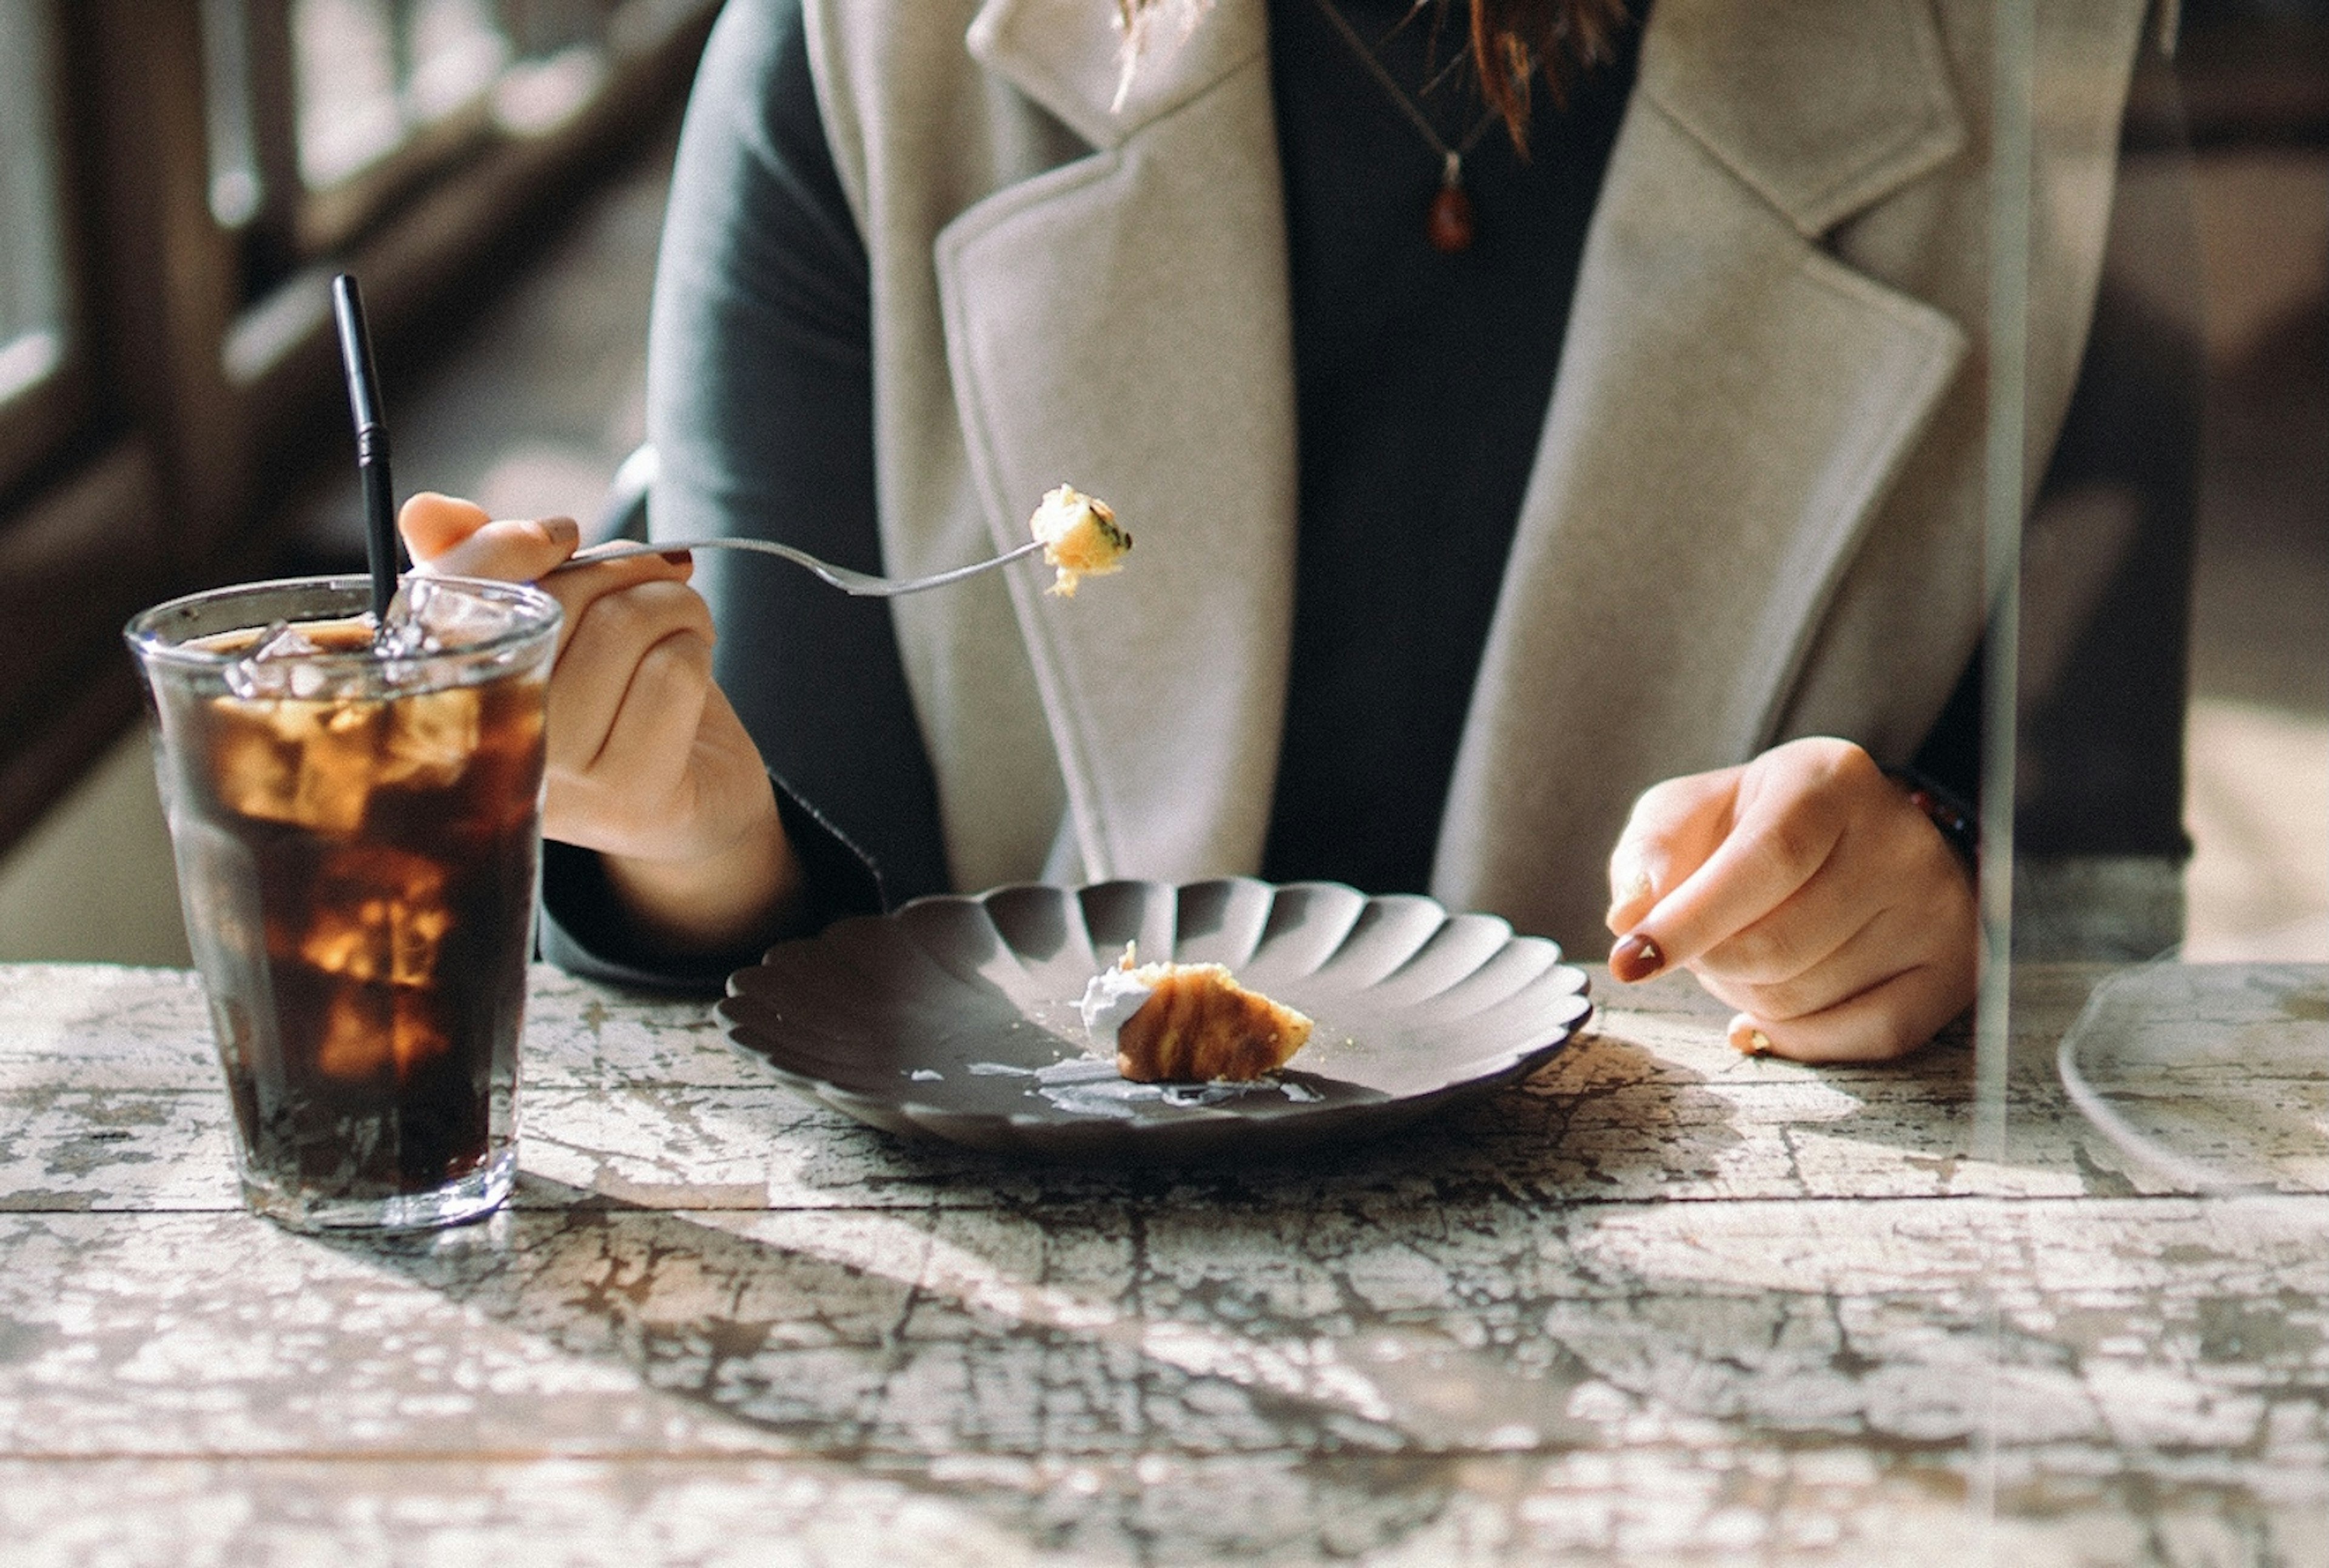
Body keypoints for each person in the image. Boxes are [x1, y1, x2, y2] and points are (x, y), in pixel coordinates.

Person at [399, 0, 2157, 1062]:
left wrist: (1932, 897)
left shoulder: (2046, 85)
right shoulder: (868, 53)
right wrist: (679, 822)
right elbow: (797, 936)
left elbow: (2095, 910)